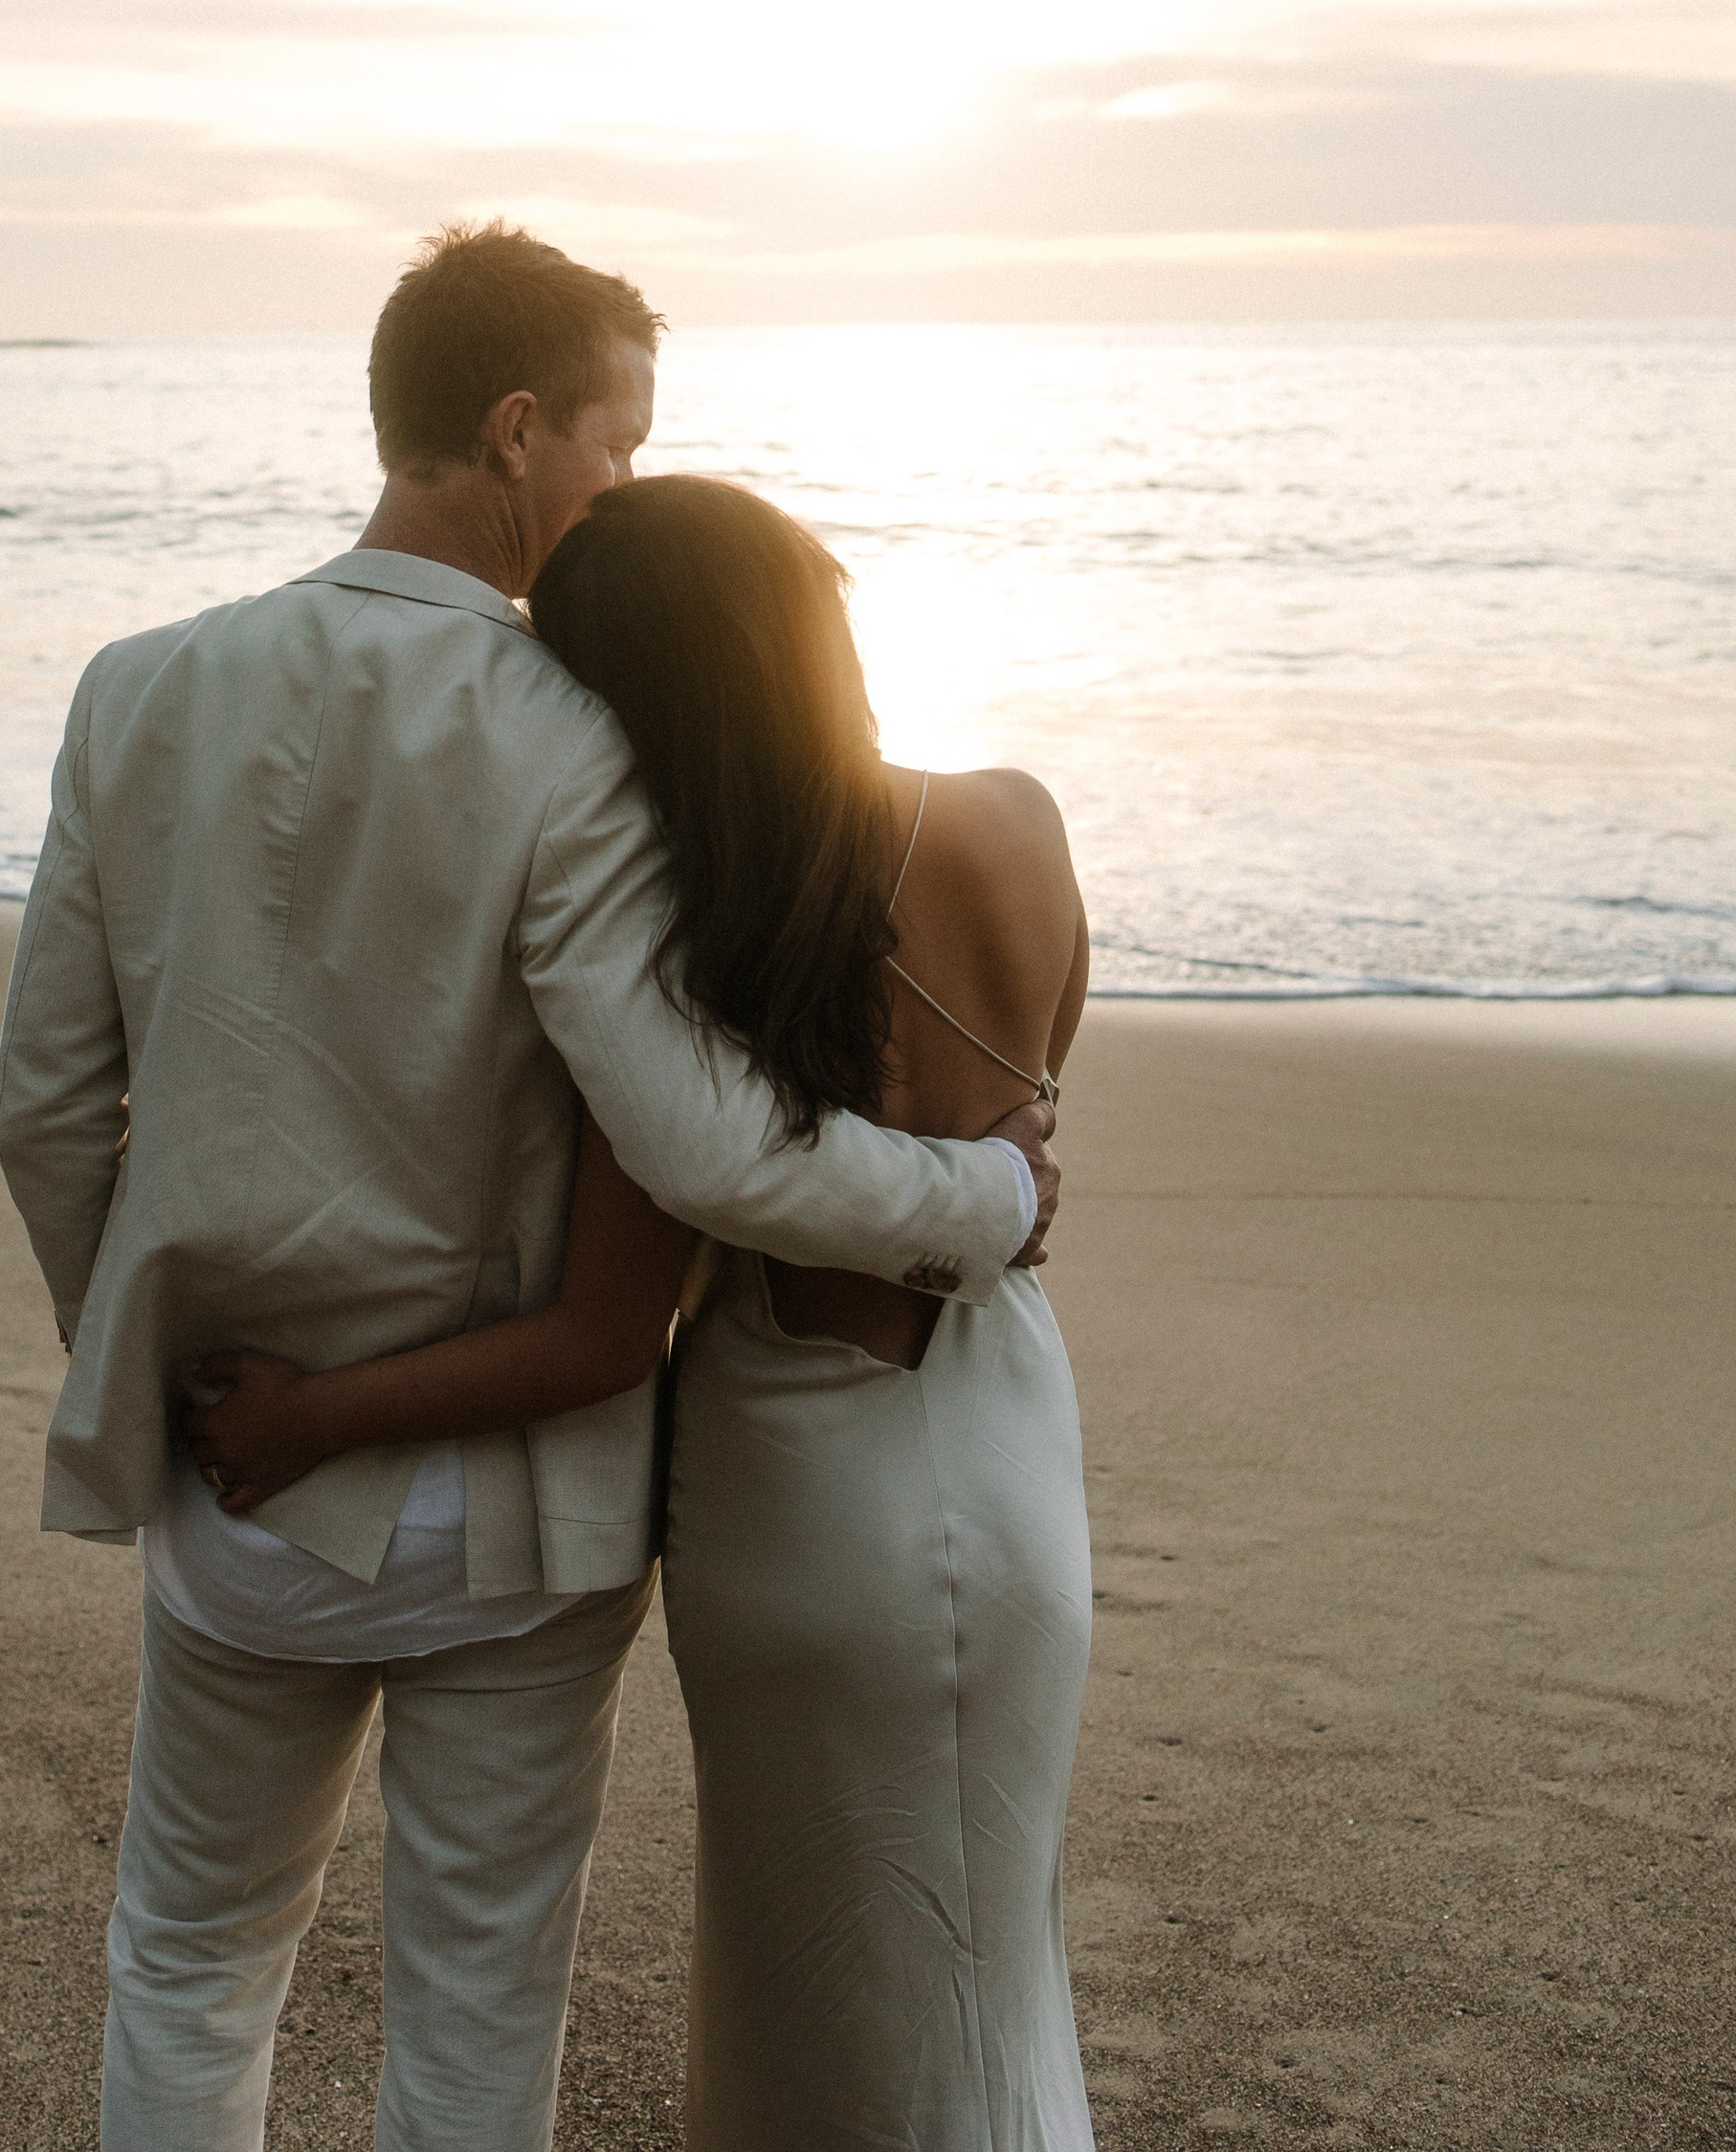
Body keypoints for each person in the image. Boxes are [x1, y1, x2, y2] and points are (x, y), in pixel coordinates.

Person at [0, 225, 1059, 2152]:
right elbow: (699, 1143)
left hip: (239, 1474)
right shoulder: (579, 738)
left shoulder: (135, 690)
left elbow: (51, 1116)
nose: (621, 488)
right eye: (617, 444)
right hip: (514, 1521)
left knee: (189, 1956)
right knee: (478, 2001)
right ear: (511, 432)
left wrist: (144, 1359)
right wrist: (980, 1196)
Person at [191, 474, 1096, 2151]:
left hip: (797, 1493)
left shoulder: (700, 951)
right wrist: (984, 1201)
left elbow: (610, 1332)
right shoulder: (1015, 823)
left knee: (822, 1985)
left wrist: (306, 1416)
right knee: (989, 1963)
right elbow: (1028, 1137)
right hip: (1008, 1436)